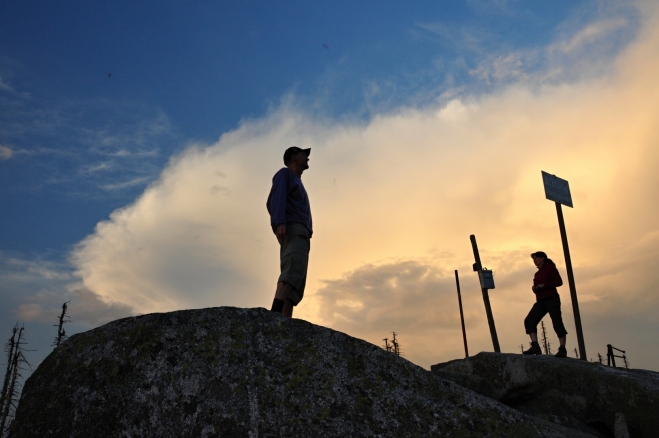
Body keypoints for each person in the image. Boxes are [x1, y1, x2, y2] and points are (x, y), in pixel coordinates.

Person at [266, 146, 312, 317]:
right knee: (291, 272)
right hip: (294, 229)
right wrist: (279, 222)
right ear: (294, 157)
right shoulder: (285, 174)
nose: (307, 158)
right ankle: (274, 316)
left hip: (301, 233)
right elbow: (275, 199)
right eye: (303, 155)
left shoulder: (296, 180)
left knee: (296, 280)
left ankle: (285, 324)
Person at [522, 251, 568, 358]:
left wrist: (545, 285)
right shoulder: (537, 274)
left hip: (552, 299)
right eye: (534, 259)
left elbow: (559, 282)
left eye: (536, 258)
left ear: (543, 258)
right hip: (541, 300)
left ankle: (562, 348)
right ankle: (535, 346)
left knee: (557, 322)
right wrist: (534, 288)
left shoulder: (551, 268)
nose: (535, 261)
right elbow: (537, 287)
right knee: (529, 320)